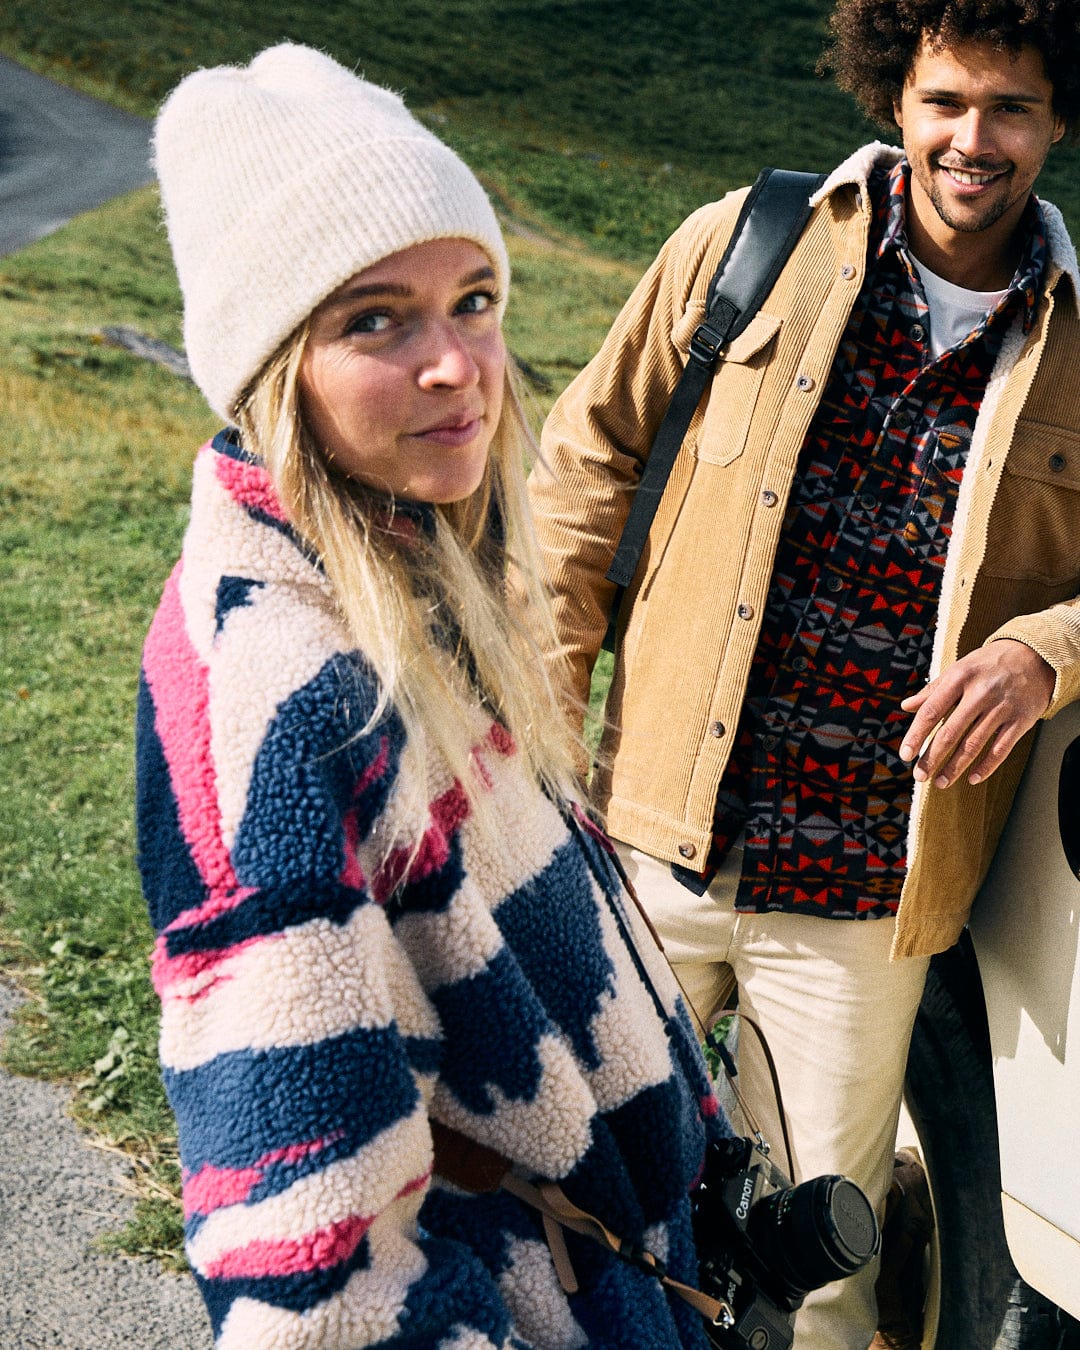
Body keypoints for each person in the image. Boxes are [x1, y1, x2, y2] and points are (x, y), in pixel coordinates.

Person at [134, 44, 728, 1350]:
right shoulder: (282, 698)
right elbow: (311, 1284)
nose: (459, 363)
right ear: (270, 361)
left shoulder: (414, 576)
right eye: (375, 319)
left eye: (472, 299)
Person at [526, 2, 1080, 1346]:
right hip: (657, 835)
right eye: (948, 99)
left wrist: (1042, 648)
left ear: (1058, 123)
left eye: (1012, 108)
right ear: (896, 95)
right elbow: (583, 467)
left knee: (814, 1267)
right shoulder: (747, 241)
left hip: (865, 893)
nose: (975, 139)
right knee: (564, 1196)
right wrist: (535, 744)